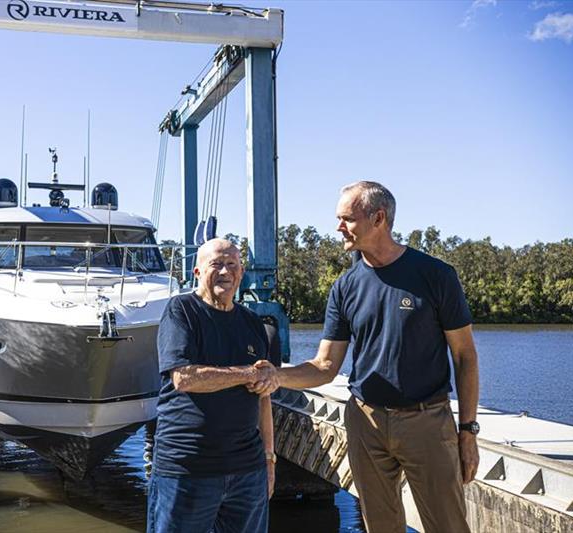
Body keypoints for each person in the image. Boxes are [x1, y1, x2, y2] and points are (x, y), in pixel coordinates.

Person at [252, 181, 480, 533]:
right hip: (365, 421)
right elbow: (325, 366)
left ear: (378, 218)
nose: (338, 227)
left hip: (426, 422)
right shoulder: (345, 286)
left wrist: (467, 431)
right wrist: (277, 376)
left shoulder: (435, 276)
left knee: (448, 526)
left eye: (347, 218)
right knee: (379, 526)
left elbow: (465, 356)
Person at [147, 238, 278, 533]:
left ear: (242, 273)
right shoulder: (181, 311)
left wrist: (269, 458)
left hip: (247, 470)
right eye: (216, 264)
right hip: (188, 468)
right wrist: (247, 373)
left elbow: (264, 397)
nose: (225, 272)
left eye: (232, 265)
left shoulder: (254, 324)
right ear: (196, 271)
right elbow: (184, 378)